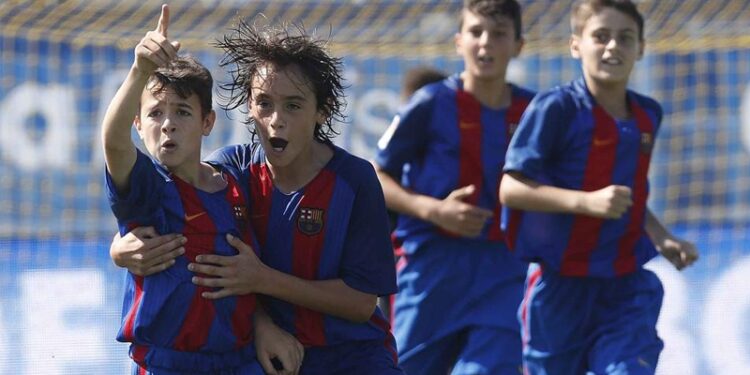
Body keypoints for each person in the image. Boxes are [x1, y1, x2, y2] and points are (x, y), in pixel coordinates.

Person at [112, 18, 403, 375]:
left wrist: (263, 279)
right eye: (264, 103)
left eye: (293, 105)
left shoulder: (354, 180)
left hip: (353, 356)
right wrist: (121, 246)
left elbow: (361, 302)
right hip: (265, 357)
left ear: (321, 111)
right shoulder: (234, 171)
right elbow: (175, 200)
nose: (276, 120)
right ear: (249, 106)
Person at [498, 1, 699, 374]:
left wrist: (661, 236)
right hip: (560, 286)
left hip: (625, 286)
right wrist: (586, 202)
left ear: (640, 48)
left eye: (625, 38)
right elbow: (511, 189)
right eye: (600, 36)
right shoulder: (554, 108)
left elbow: (630, 194)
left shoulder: (647, 115)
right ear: (577, 44)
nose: (612, 47)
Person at [101, 5, 301, 374]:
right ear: (138, 123)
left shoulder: (236, 178)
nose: (167, 125)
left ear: (207, 122)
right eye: (155, 113)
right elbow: (113, 142)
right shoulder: (148, 188)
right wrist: (139, 71)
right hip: (167, 362)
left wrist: (262, 322)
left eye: (182, 112)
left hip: (239, 359)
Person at [372, 1, 534, 374]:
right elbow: (377, 177)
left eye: (498, 34)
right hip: (432, 267)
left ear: (518, 45)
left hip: (503, 270)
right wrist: (435, 210)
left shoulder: (534, 112)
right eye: (476, 32)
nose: (485, 43)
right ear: (459, 41)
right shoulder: (430, 103)